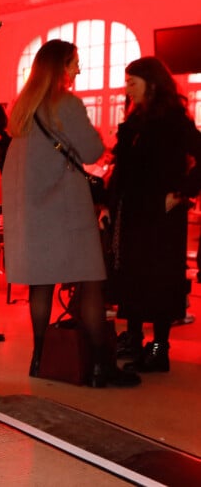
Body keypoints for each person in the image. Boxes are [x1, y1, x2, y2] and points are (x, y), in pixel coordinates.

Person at [2, 39, 140, 388]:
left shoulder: (23, 108)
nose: (78, 69)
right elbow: (93, 149)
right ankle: (99, 367)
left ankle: (39, 358)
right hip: (66, 213)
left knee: (41, 283)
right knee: (92, 280)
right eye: (75, 62)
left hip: (33, 214)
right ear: (61, 66)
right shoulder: (66, 103)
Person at [100, 56, 201, 372]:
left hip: (161, 212)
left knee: (158, 278)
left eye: (133, 81)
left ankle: (159, 346)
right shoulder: (134, 120)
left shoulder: (173, 119)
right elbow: (123, 168)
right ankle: (132, 337)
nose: (127, 88)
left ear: (152, 83)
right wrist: (108, 203)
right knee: (131, 275)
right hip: (132, 211)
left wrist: (183, 191)